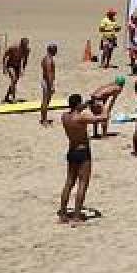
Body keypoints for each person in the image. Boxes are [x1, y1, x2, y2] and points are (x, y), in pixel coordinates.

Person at [58, 94, 97, 224]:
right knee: (82, 184)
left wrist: (87, 103)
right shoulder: (81, 117)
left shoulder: (65, 117)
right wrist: (105, 105)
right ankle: (76, 216)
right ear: (78, 105)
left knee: (69, 183)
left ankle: (63, 214)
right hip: (83, 152)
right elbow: (103, 118)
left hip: (72, 151)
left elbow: (77, 109)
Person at [1, 37, 30, 103]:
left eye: (26, 45)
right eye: (24, 45)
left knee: (14, 82)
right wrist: (4, 68)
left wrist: (23, 69)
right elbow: (5, 57)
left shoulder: (27, 50)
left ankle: (7, 96)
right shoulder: (13, 48)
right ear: (21, 44)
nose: (25, 46)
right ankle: (13, 98)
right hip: (10, 65)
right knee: (13, 79)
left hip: (17, 66)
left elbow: (25, 60)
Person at [39, 42, 58, 126]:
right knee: (45, 101)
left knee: (46, 101)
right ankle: (44, 120)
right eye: (55, 50)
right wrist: (51, 86)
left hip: (46, 81)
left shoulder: (46, 58)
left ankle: (44, 118)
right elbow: (48, 74)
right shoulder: (48, 60)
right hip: (47, 82)